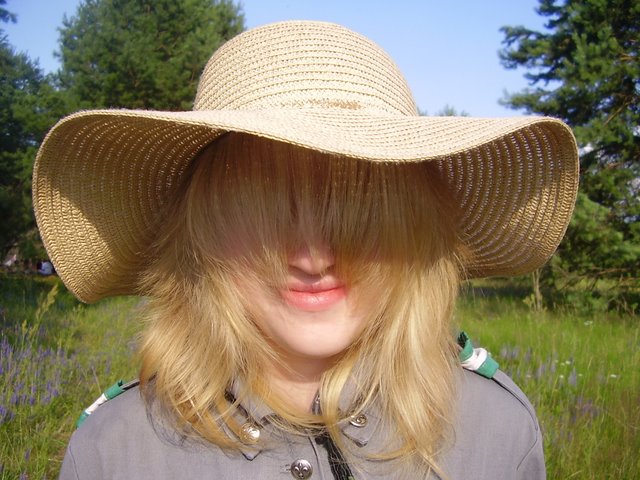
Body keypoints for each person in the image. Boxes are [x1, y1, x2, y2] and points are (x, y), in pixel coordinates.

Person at [33, 21, 579, 479]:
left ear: (415, 229)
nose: (313, 258)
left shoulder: (496, 431)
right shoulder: (117, 451)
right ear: (201, 232)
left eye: (358, 210)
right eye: (266, 214)